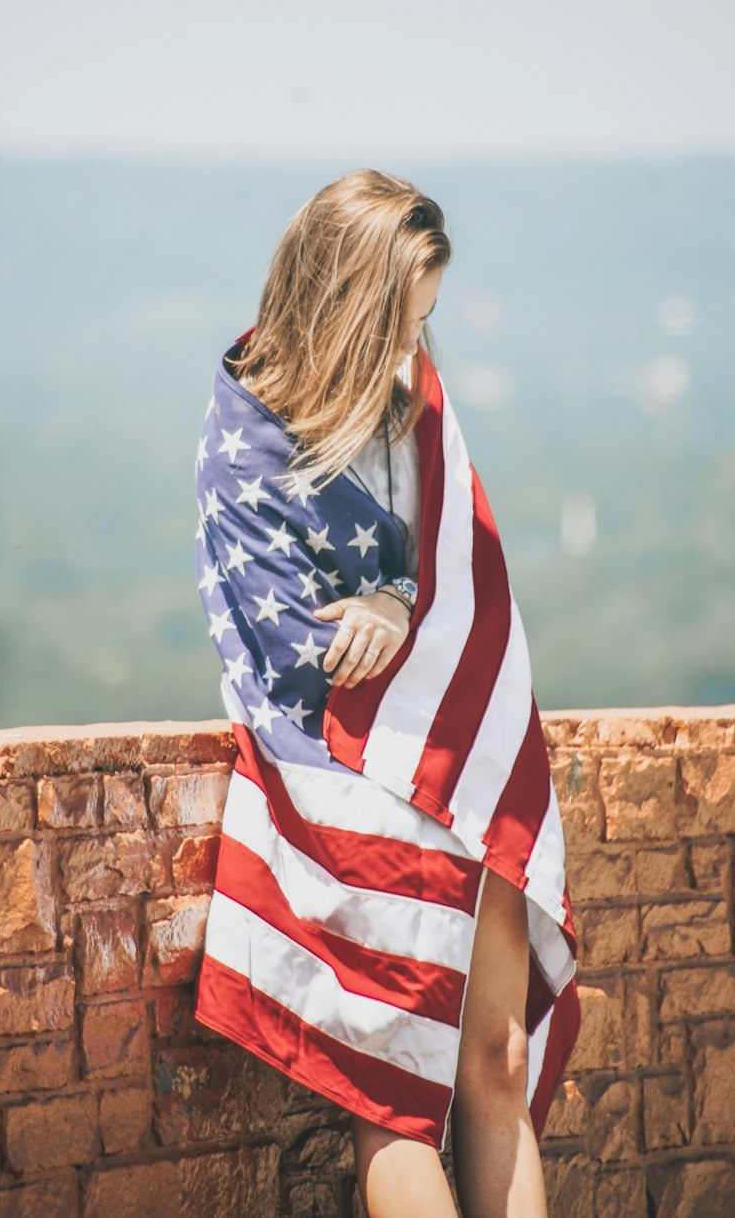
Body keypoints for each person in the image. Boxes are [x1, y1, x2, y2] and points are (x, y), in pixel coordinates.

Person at [192, 169, 580, 1218]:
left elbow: (452, 572)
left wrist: (401, 598)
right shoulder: (253, 424)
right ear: (343, 296)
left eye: (427, 320)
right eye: (399, 318)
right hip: (359, 773)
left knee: (495, 1061)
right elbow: (282, 640)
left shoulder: (411, 399)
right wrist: (377, 607)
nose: (416, 343)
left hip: (459, 754)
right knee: (397, 1095)